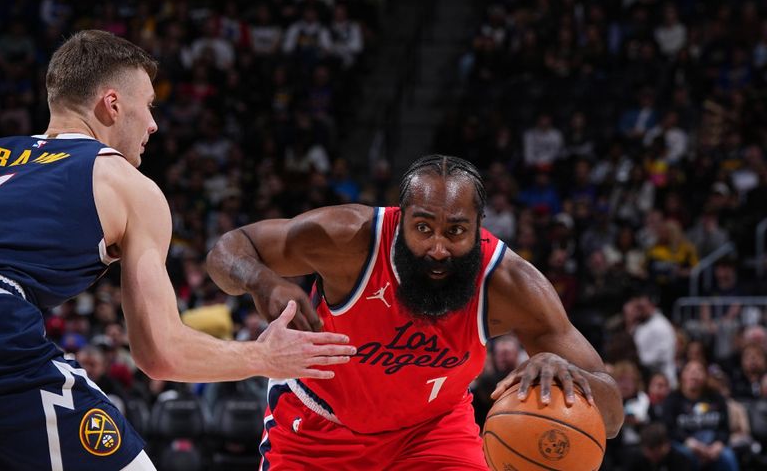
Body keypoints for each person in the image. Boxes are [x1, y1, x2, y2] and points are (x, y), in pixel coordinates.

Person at [0, 30, 355, 470]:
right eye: (148, 105)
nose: (153, 124)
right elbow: (160, 352)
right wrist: (265, 356)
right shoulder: (123, 182)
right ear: (112, 105)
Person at [206, 154, 624, 469]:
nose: (438, 248)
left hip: (433, 431)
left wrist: (572, 374)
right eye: (423, 228)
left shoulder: (511, 285)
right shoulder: (347, 239)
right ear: (401, 218)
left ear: (480, 226)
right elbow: (227, 250)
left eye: (456, 231)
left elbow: (612, 417)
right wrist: (264, 281)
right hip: (319, 424)